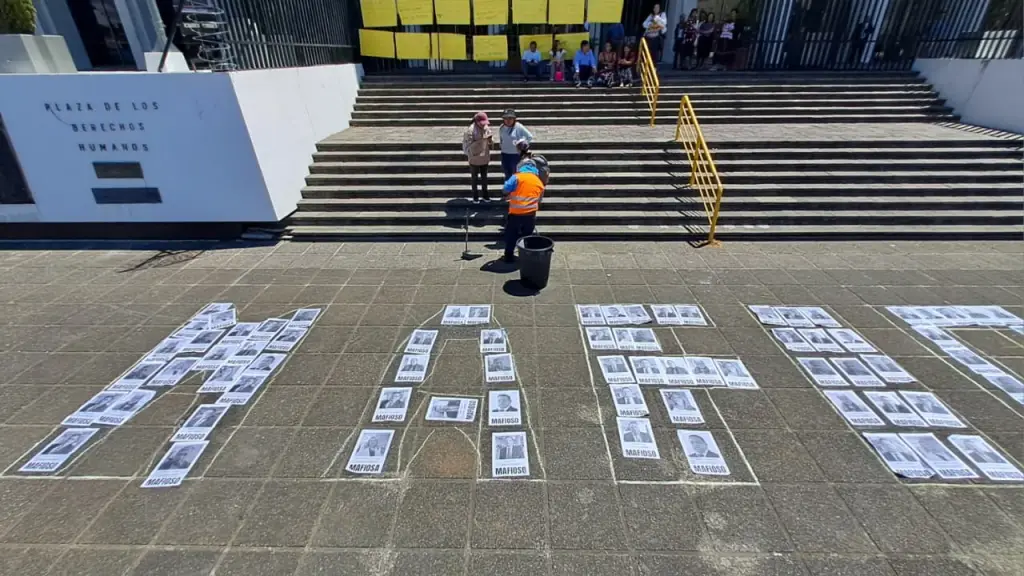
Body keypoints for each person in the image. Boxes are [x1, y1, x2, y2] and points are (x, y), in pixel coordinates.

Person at [500, 143, 545, 263]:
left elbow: (505, 189)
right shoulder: (538, 181)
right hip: (530, 214)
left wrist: (509, 194)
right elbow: (540, 198)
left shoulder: (517, 177)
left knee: (511, 235)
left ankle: (509, 256)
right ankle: (526, 257)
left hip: (516, 213)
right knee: (527, 236)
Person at [461, 111, 493, 203]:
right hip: (474, 158)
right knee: (474, 177)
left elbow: (490, 141)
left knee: (484, 177)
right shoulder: (470, 131)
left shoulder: (486, 128)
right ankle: (475, 196)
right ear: (476, 121)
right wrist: (482, 141)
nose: (483, 125)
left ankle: (485, 195)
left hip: (484, 156)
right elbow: (468, 145)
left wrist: (490, 139)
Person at [498, 109, 533, 180]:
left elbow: (529, 136)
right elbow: (501, 138)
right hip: (505, 154)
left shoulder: (518, 127)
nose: (508, 120)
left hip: (515, 155)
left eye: (510, 118)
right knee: (507, 173)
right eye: (505, 118)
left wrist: (522, 143)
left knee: (516, 174)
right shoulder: (502, 127)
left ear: (514, 119)